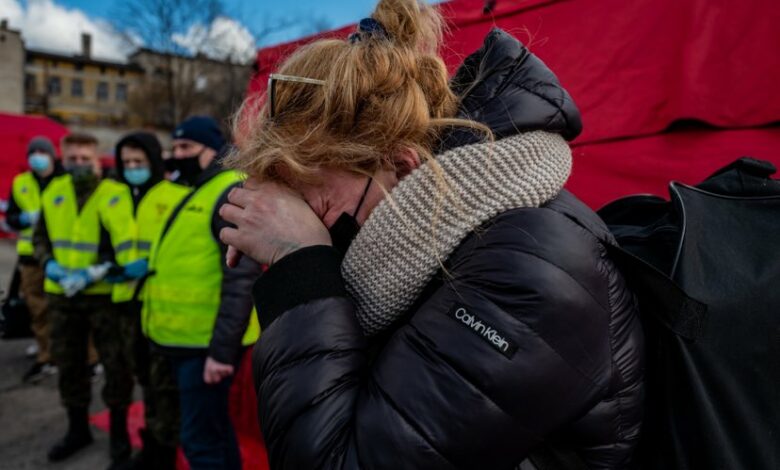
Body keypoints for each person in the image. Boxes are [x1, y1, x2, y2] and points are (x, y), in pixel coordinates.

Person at [220, 0, 644, 468]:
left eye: (315, 204)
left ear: (402, 166)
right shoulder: (426, 247)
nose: (303, 221)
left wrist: (300, 265)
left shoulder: (528, 271)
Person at [142, 116, 261, 469]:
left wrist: (221, 353)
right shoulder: (201, 186)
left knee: (199, 441)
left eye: (186, 148)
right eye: (174, 147)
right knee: (213, 429)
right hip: (186, 340)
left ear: (211, 150)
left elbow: (241, 278)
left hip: (207, 346)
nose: (177, 155)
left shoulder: (227, 190)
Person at [34, 133, 137, 466]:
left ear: (97, 160)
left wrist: (101, 269)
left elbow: (126, 242)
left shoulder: (115, 193)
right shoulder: (53, 192)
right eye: (72, 159)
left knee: (115, 366)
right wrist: (48, 263)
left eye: (85, 159)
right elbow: (40, 238)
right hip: (63, 295)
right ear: (63, 160)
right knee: (69, 364)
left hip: (104, 295)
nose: (78, 164)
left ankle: (120, 441)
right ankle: (78, 430)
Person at [111, 132, 190, 470]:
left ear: (155, 161)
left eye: (139, 163)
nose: (132, 168)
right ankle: (149, 447)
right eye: (126, 163)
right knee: (139, 378)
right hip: (122, 301)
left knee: (162, 384)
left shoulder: (176, 196)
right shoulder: (112, 195)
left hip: (159, 302)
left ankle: (163, 452)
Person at [6, 136, 63, 381]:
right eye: (33, 152)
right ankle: (45, 353)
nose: (37, 156)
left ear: (52, 155)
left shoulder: (64, 181)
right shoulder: (21, 183)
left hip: (61, 255)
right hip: (30, 257)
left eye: (42, 151)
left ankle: (65, 352)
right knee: (37, 307)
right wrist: (23, 219)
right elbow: (11, 217)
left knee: (61, 309)